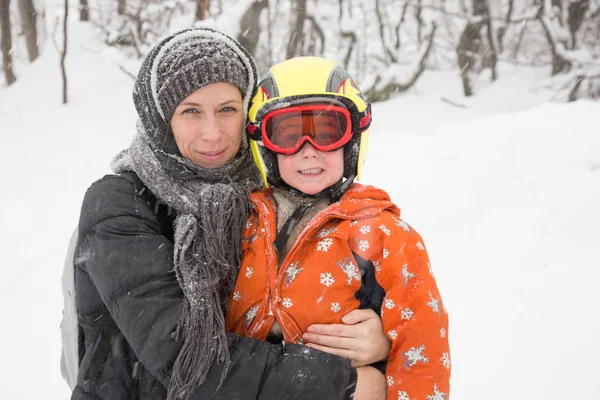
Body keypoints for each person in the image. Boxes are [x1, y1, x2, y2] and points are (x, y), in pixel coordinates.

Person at [72, 28, 388, 400]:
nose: (213, 134)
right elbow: (182, 358)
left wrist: (377, 339)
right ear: (159, 119)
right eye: (190, 111)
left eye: (227, 109)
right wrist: (343, 383)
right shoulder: (118, 203)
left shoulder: (275, 194)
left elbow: (310, 305)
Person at [225, 56, 451, 400]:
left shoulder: (385, 235)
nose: (308, 151)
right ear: (265, 145)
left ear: (353, 139)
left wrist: (387, 350)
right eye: (287, 134)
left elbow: (421, 344)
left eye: (327, 131)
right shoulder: (240, 224)